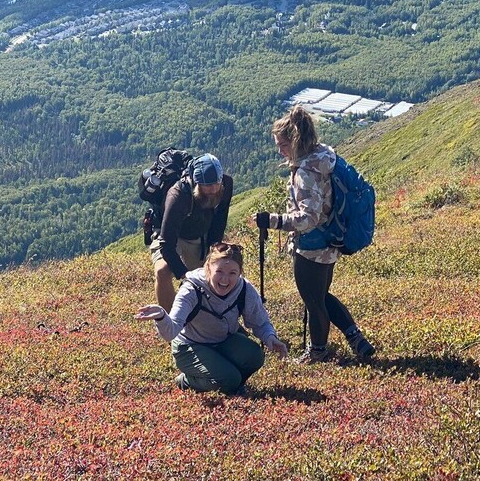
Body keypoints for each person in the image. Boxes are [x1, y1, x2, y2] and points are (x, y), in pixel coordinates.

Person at [254, 105, 376, 364]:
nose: (280, 150)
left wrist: (273, 221)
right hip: (331, 237)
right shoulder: (322, 156)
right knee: (321, 295)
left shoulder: (305, 173)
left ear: (296, 140)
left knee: (313, 300)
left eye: (283, 144)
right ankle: (356, 338)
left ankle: (318, 351)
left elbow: (308, 217)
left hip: (312, 244)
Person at [136, 242, 288, 394]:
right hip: (190, 346)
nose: (225, 279)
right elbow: (171, 332)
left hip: (223, 341)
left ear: (240, 273)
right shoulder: (191, 289)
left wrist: (270, 337)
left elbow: (260, 322)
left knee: (255, 357)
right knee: (230, 379)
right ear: (208, 268)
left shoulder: (244, 289)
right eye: (219, 271)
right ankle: (186, 380)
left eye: (232, 273)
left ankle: (226, 381)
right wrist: (162, 316)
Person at [150, 153, 233, 312]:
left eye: (216, 184)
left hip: (200, 234)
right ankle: (171, 324)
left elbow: (219, 221)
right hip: (170, 236)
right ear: (196, 183)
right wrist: (184, 275)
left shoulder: (225, 185)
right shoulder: (178, 196)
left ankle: (218, 316)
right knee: (163, 271)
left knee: (215, 270)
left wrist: (213, 252)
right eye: (207, 186)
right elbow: (167, 244)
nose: (214, 190)